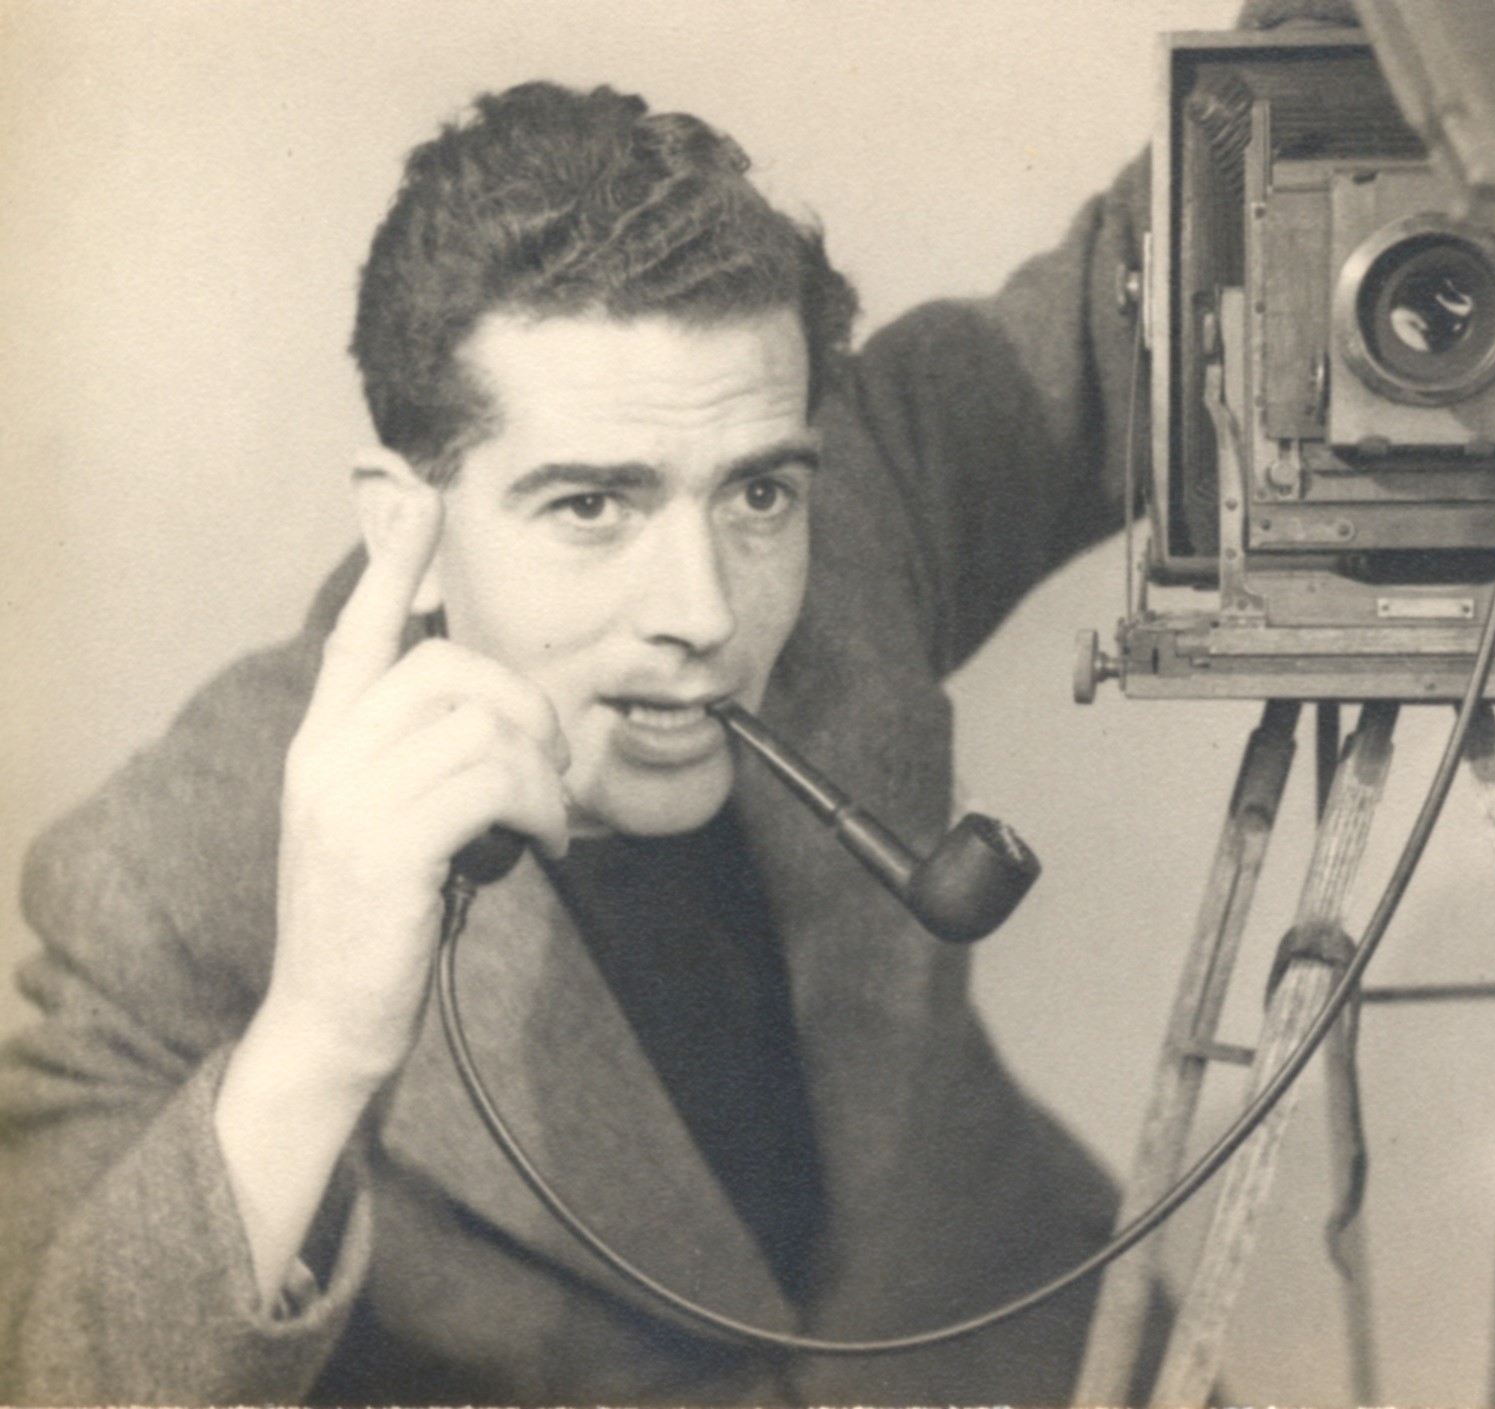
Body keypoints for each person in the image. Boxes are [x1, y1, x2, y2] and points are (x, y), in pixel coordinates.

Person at [0, 65, 1160, 1405]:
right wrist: (312, 1039)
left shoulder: (863, 512)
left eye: (758, 495)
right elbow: (51, 1371)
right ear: (408, 526)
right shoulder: (185, 854)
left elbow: (1179, 257)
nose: (706, 609)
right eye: (592, 507)